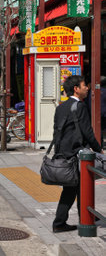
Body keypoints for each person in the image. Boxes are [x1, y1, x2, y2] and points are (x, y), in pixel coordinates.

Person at [51, 75, 102, 233]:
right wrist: (99, 149)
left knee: (74, 188)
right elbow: (88, 132)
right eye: (84, 85)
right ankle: (65, 221)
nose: (87, 88)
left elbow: (57, 131)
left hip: (64, 153)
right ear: (76, 89)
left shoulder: (61, 107)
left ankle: (80, 217)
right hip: (77, 154)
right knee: (75, 188)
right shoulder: (80, 107)